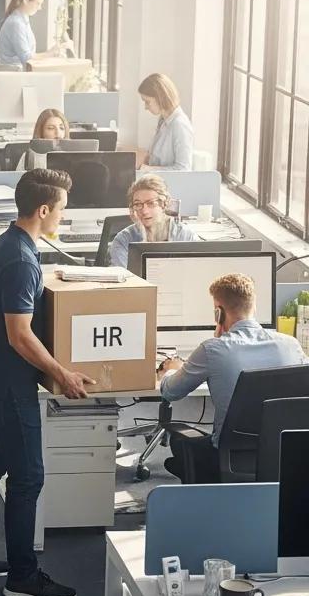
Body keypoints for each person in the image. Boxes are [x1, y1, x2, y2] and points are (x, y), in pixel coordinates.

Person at [0, 168, 94, 596]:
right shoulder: (20, 260)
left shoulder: (10, 243)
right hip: (9, 385)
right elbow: (20, 335)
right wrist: (62, 373)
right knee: (28, 477)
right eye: (62, 211)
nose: (62, 219)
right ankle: (23, 577)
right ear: (43, 209)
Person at [158, 273, 306, 482]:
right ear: (253, 307)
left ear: (218, 312)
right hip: (283, 458)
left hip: (229, 460)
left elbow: (171, 392)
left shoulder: (213, 350)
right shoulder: (290, 345)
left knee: (180, 442)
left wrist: (173, 369)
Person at [109, 174, 197, 267]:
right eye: (138, 204)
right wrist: (144, 236)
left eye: (151, 203)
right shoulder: (123, 240)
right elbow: (124, 278)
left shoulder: (186, 237)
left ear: (164, 204)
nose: (144, 211)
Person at [0, 0, 71, 68]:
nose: (40, 8)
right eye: (38, 3)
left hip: (19, 71)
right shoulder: (16, 23)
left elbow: (29, 55)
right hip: (14, 74)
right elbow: (27, 58)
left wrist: (51, 51)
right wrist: (50, 53)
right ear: (26, 0)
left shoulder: (23, 21)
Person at [138, 72, 193, 171]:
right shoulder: (163, 120)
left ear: (160, 97)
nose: (145, 107)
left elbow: (183, 169)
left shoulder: (179, 125)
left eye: (147, 102)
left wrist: (148, 169)